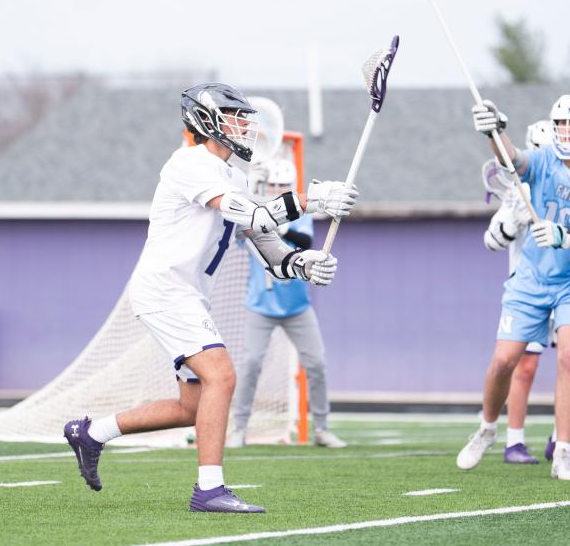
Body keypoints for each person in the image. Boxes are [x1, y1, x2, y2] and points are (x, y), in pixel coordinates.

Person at [63, 83, 358, 512]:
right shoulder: (188, 163)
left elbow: (261, 239)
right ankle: (209, 490)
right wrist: (311, 200)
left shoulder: (233, 175)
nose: (245, 126)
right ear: (207, 121)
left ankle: (90, 433)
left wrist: (301, 263)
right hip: (165, 289)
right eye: (236, 117)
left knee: (194, 405)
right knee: (223, 375)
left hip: (188, 295)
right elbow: (256, 213)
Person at [458, 94, 570, 481]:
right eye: (562, 124)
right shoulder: (545, 159)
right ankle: (487, 429)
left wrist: (566, 236)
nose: (567, 131)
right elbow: (512, 160)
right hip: (531, 277)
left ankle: (561, 451)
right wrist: (494, 130)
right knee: (504, 362)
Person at [227, 158, 347, 450]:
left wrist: (279, 227)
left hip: (296, 306)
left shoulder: (298, 215)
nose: (278, 189)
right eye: (274, 185)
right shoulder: (256, 214)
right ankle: (239, 428)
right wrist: (258, 212)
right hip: (261, 305)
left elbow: (303, 240)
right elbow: (243, 234)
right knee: (252, 363)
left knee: (316, 363)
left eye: (284, 185)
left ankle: (321, 427)